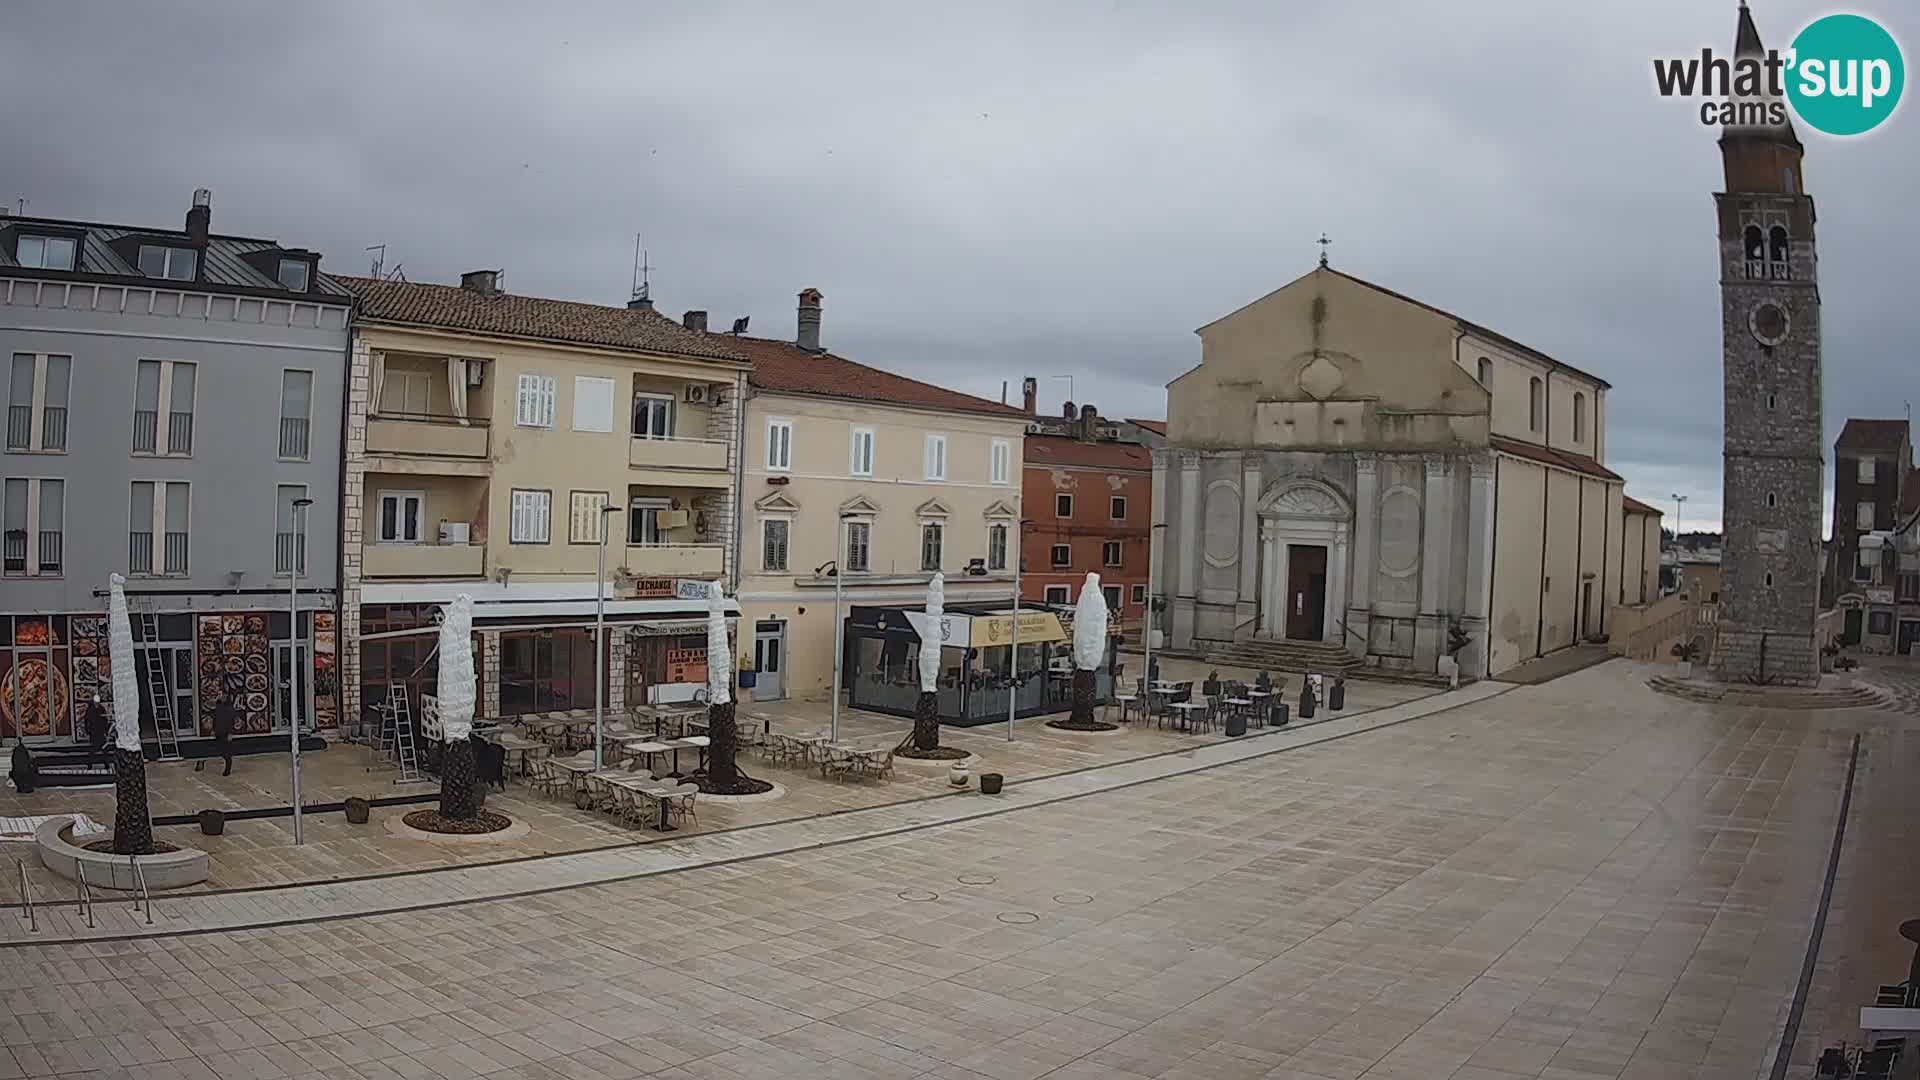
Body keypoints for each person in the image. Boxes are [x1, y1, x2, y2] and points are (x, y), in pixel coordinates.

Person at [212, 691, 236, 776]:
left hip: (226, 732)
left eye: (220, 695)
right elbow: (215, 718)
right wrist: (213, 729)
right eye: (218, 695)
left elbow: (231, 721)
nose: (218, 696)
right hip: (218, 731)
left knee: (226, 751)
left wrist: (230, 733)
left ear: (225, 696)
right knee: (220, 749)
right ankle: (227, 763)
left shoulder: (229, 708)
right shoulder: (218, 706)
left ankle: (227, 768)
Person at [84, 693, 110, 767]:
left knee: (103, 748)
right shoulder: (90, 710)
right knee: (94, 748)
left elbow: (105, 719)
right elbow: (87, 721)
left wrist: (105, 728)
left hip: (100, 730)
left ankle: (105, 763)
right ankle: (90, 763)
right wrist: (88, 730)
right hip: (94, 731)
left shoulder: (101, 709)